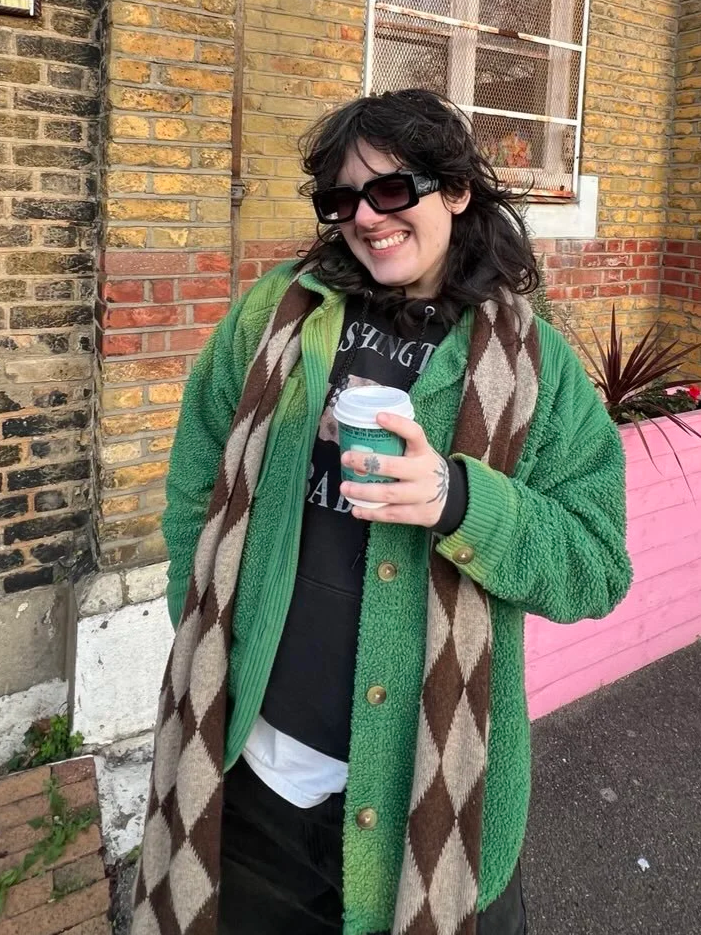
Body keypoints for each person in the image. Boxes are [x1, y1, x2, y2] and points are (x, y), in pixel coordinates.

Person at [139, 89, 632, 935]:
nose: (366, 216)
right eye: (342, 199)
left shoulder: (535, 369)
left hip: (429, 794)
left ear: (456, 190)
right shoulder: (274, 318)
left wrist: (459, 500)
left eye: (392, 189)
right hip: (249, 777)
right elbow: (195, 482)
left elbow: (595, 564)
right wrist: (208, 606)